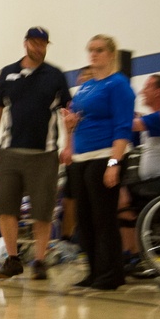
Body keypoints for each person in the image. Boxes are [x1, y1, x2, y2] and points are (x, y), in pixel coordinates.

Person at [0, 27, 72, 281]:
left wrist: (69, 145)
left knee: (42, 210)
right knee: (5, 207)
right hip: (10, 152)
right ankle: (12, 259)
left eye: (44, 44)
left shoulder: (55, 75)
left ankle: (40, 260)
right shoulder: (7, 73)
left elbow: (68, 113)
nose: (40, 48)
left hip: (44, 154)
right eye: (36, 43)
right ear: (26, 44)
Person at [60, 35, 136, 290]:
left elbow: (123, 127)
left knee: (104, 219)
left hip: (104, 156)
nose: (94, 54)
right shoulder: (86, 87)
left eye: (100, 50)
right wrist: (69, 133)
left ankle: (112, 274)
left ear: (111, 54)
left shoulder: (118, 84)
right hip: (81, 158)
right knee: (85, 218)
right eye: (91, 50)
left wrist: (114, 163)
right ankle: (94, 271)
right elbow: (75, 120)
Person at [118, 74, 160, 266]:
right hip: (150, 182)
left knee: (119, 196)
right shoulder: (151, 119)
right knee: (121, 194)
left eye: (147, 87)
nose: (142, 92)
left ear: (159, 91)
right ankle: (130, 251)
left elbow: (131, 125)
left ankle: (131, 252)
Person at [60, 65, 95, 243]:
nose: (84, 78)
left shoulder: (97, 100)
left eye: (89, 75)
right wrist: (67, 149)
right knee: (69, 200)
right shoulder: (74, 103)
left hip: (93, 156)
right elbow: (69, 130)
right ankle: (67, 238)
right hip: (74, 156)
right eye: (83, 75)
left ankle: (84, 237)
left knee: (84, 200)